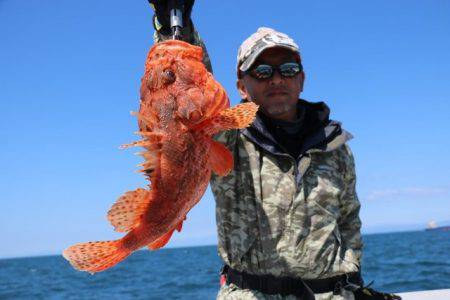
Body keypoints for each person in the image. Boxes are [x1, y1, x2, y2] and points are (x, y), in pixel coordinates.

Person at [148, 1, 401, 300]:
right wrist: (174, 23)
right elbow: (186, 85)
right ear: (242, 86)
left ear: (302, 79)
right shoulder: (225, 135)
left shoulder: (335, 145)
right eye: (263, 71)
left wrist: (351, 277)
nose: (277, 79)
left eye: (288, 69)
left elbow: (349, 219)